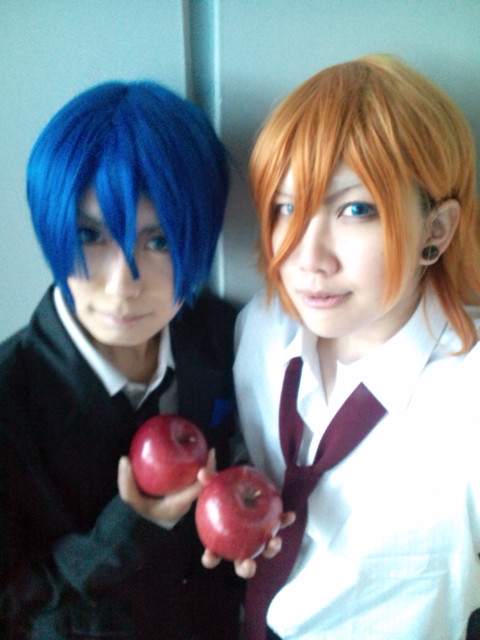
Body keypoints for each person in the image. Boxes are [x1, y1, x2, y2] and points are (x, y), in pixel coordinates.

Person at [233, 55, 480, 640]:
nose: (308, 257)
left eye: (356, 210)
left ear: (435, 231)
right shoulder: (261, 330)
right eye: (286, 208)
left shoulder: (469, 392)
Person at [0, 80, 244, 639]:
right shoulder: (9, 401)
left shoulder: (224, 337)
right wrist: (121, 538)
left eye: (159, 242)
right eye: (89, 235)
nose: (121, 285)